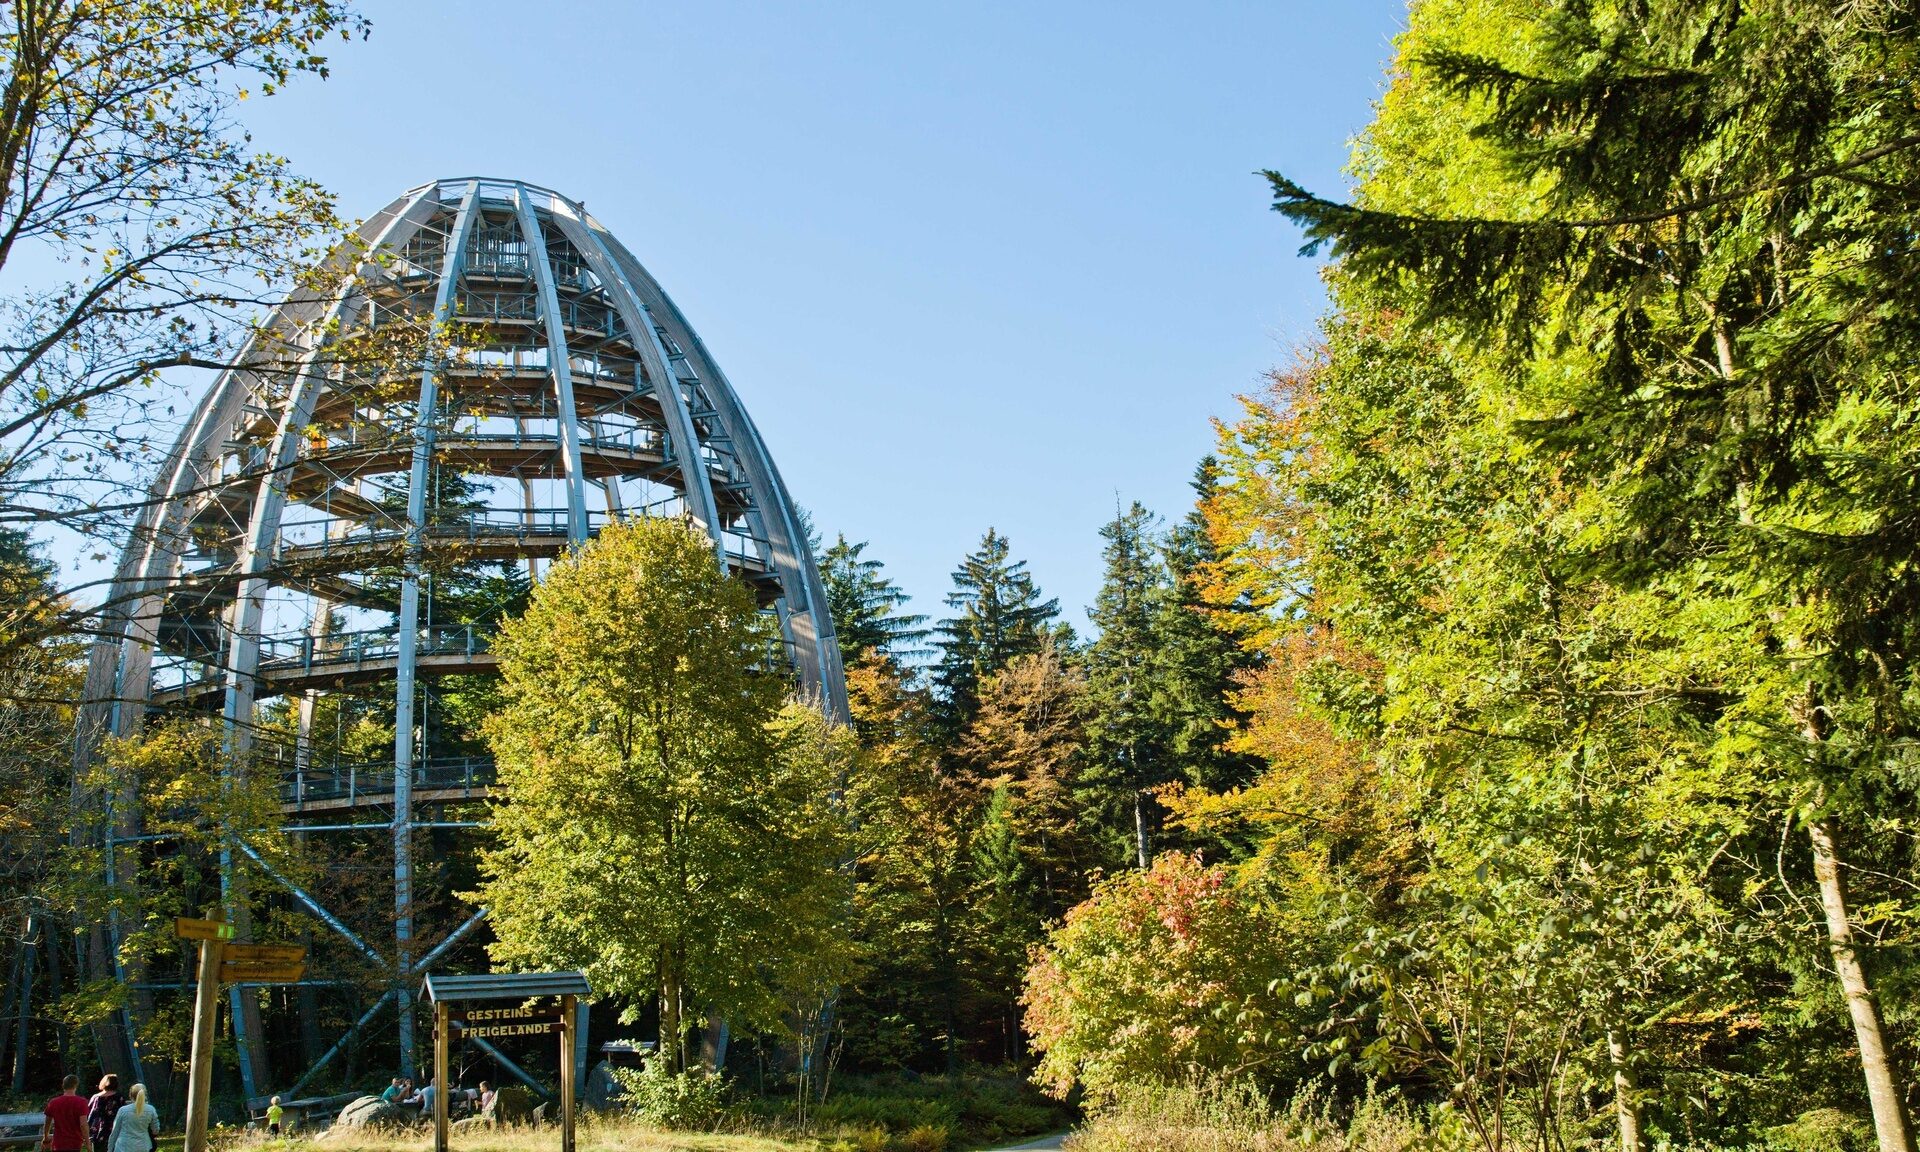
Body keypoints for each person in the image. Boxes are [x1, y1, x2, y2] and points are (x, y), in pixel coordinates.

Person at [41, 1075, 88, 1152]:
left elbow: (47, 1122)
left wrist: (46, 1137)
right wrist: (87, 1142)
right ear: (76, 1085)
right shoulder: (81, 1102)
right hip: (75, 1142)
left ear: (63, 1085)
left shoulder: (54, 1102)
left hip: (58, 1143)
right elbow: (83, 1124)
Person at [106, 1084, 158, 1152]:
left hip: (123, 1147)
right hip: (144, 1146)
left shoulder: (123, 1110)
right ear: (145, 1095)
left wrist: (110, 1149)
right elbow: (155, 1130)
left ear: (130, 1095)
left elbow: (115, 1131)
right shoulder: (151, 1109)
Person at [87, 1075, 125, 1152]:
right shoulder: (119, 1097)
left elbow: (89, 1114)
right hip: (116, 1131)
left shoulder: (95, 1097)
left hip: (98, 1132)